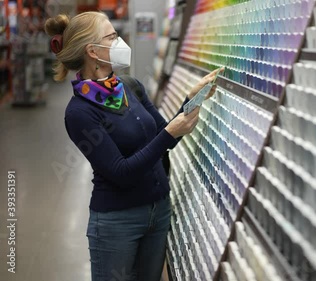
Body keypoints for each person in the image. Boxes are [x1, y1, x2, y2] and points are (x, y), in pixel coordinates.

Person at [44, 11, 221, 281]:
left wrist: (190, 100)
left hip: (158, 212)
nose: (120, 41)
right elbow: (121, 172)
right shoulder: (79, 112)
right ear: (93, 51)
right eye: (112, 36)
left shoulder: (129, 86)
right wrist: (169, 135)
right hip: (118, 221)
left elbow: (164, 136)